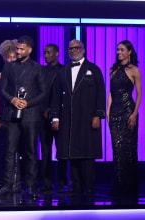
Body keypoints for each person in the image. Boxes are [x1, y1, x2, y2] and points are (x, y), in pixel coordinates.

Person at [51, 39, 106, 195]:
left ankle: (89, 188)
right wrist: (55, 118)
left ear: (83, 50)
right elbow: (55, 97)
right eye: (70, 48)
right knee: (72, 154)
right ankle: (76, 188)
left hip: (88, 118)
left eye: (76, 48)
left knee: (87, 154)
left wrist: (98, 115)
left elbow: (101, 94)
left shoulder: (94, 69)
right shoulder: (62, 72)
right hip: (68, 118)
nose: (73, 51)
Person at [0, 35, 46, 199]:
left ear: (29, 50)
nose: (18, 51)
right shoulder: (9, 67)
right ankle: (8, 185)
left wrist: (27, 103)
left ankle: (30, 187)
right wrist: (12, 99)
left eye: (22, 49)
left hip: (30, 115)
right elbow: (1, 89)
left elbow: (44, 92)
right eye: (17, 48)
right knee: (10, 151)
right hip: (11, 115)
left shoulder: (38, 68)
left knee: (31, 151)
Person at [107, 40, 142, 197]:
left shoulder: (135, 70)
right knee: (117, 149)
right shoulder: (113, 70)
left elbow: (140, 94)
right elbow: (111, 93)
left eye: (121, 49)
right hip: (114, 113)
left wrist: (134, 113)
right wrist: (107, 111)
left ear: (129, 51)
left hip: (128, 112)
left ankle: (130, 187)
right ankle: (119, 185)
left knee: (129, 150)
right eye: (117, 49)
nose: (118, 52)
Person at [37, 44, 68, 194]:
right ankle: (47, 183)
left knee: (61, 151)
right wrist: (43, 110)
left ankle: (62, 183)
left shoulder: (64, 70)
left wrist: (53, 111)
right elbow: (37, 92)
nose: (46, 55)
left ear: (57, 53)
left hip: (59, 116)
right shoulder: (41, 71)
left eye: (48, 52)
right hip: (43, 117)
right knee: (45, 151)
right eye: (44, 53)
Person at [0, 39, 19, 193]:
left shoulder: (23, 74)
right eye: (8, 57)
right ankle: (0, 181)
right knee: (3, 149)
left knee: (16, 151)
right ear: (4, 57)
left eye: (14, 56)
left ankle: (15, 183)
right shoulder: (0, 76)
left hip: (19, 117)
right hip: (3, 116)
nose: (11, 60)